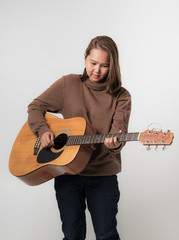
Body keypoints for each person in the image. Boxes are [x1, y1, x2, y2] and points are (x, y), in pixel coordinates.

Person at [28, 36, 131, 240]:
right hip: (67, 173)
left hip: (103, 177)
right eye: (93, 63)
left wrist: (114, 143)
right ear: (85, 58)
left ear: (113, 66)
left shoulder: (122, 96)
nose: (97, 70)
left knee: (107, 235)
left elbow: (118, 133)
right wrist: (42, 130)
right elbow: (35, 106)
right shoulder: (68, 84)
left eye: (104, 66)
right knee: (72, 235)